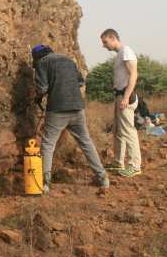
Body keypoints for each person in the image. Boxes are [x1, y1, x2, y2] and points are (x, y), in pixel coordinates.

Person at [32, 44, 109, 194]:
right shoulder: (69, 61)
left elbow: (42, 88)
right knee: (85, 142)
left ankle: (45, 184)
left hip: (57, 109)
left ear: (37, 57)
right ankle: (102, 178)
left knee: (48, 144)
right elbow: (80, 82)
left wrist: (38, 97)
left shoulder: (42, 63)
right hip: (77, 108)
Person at [100, 28, 142, 177]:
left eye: (105, 42)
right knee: (118, 131)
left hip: (125, 96)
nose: (104, 46)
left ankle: (135, 165)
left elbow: (134, 74)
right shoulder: (120, 54)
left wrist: (125, 97)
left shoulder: (126, 51)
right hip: (119, 95)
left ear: (112, 38)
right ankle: (118, 162)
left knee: (128, 131)